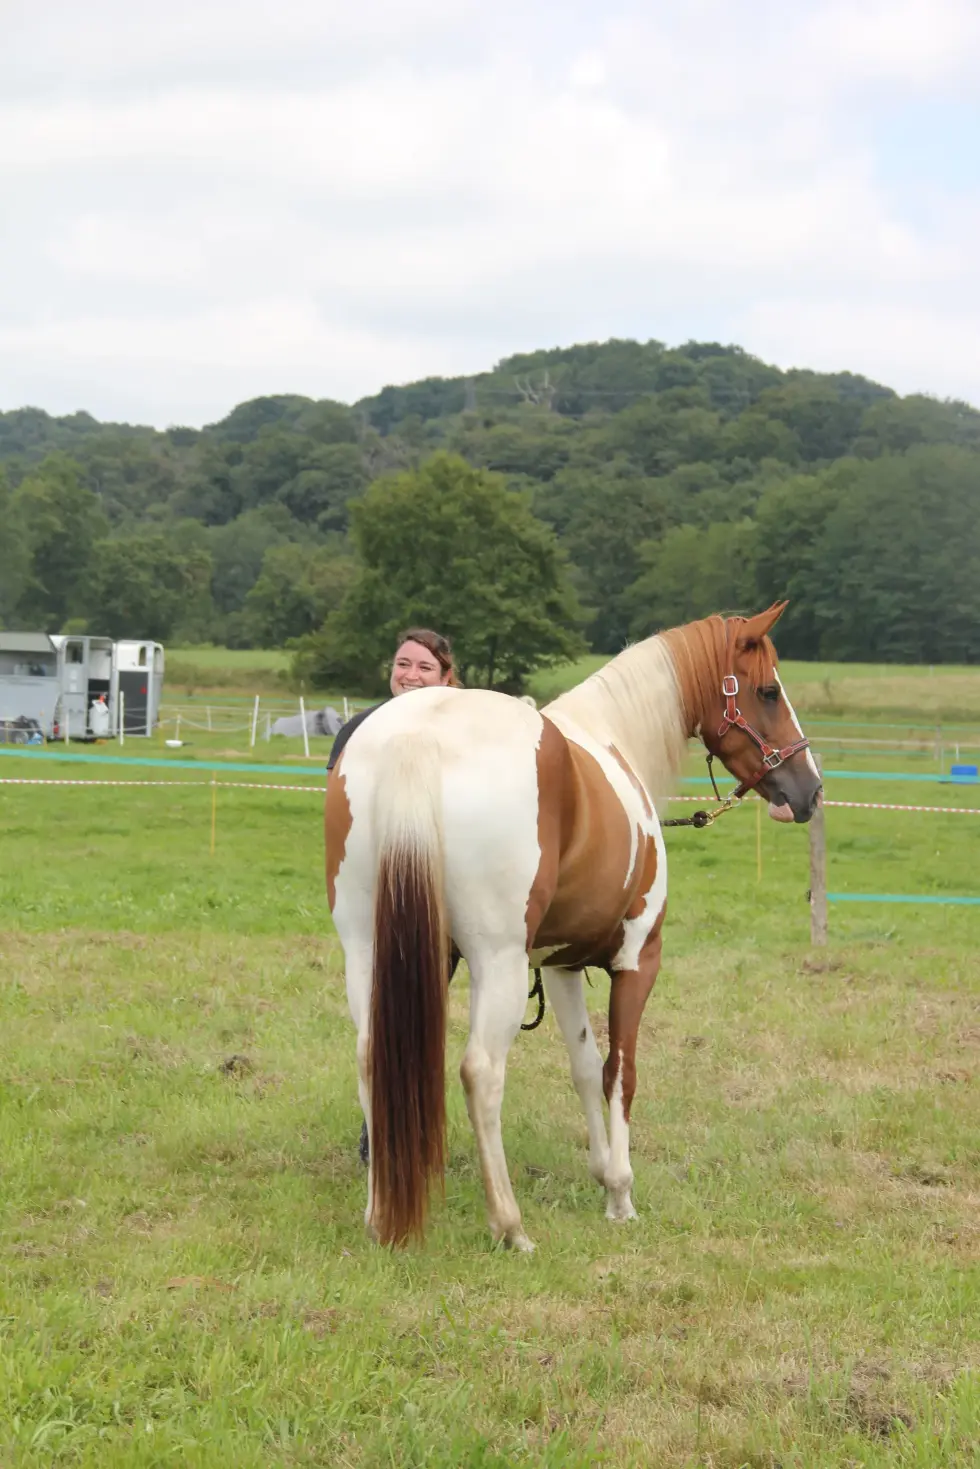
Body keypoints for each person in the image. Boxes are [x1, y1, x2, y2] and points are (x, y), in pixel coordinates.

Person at [326, 627, 461, 1164]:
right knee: (388, 1014)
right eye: (403, 663)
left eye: (425, 667)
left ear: (447, 677)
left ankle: (415, 1126)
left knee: (423, 1013)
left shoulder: (471, 736)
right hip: (385, 896)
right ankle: (379, 1129)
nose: (410, 675)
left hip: (455, 899)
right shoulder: (360, 732)